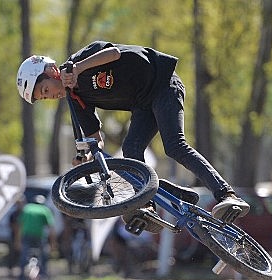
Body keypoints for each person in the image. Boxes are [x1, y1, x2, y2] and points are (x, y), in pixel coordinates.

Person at [15, 41, 250, 224]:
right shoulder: (76, 100)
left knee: (174, 145)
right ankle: (147, 207)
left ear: (52, 70)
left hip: (163, 85)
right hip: (143, 105)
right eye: (45, 97)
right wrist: (86, 157)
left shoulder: (80, 60)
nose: (51, 95)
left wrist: (77, 69)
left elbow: (114, 53)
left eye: (46, 89)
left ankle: (227, 195)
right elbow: (96, 140)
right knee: (131, 153)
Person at [17, 195, 55, 280]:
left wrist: (18, 242)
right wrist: (52, 244)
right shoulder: (45, 210)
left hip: (26, 237)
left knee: (24, 259)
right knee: (43, 257)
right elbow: (51, 229)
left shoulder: (27, 208)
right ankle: (42, 277)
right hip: (39, 238)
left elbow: (20, 226)